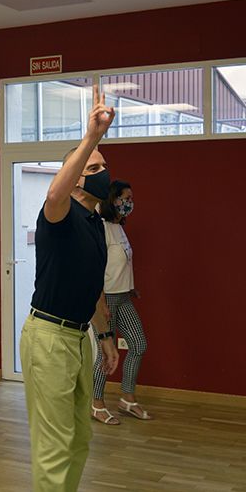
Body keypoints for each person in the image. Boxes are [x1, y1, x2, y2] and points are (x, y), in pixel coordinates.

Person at [20, 84, 120, 492]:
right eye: (93, 168)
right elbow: (54, 193)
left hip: (79, 339)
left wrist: (105, 335)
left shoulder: (96, 224)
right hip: (48, 337)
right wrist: (90, 137)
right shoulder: (58, 217)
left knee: (79, 438)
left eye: (103, 166)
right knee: (54, 445)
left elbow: (92, 288)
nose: (103, 173)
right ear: (74, 177)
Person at [91, 180, 151, 425]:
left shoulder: (118, 227)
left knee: (138, 344)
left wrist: (130, 286)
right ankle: (96, 404)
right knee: (105, 355)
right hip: (105, 299)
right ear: (112, 200)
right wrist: (101, 304)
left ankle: (127, 398)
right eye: (125, 198)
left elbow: (120, 263)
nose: (129, 203)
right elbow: (95, 269)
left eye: (131, 199)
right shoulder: (101, 228)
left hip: (123, 296)